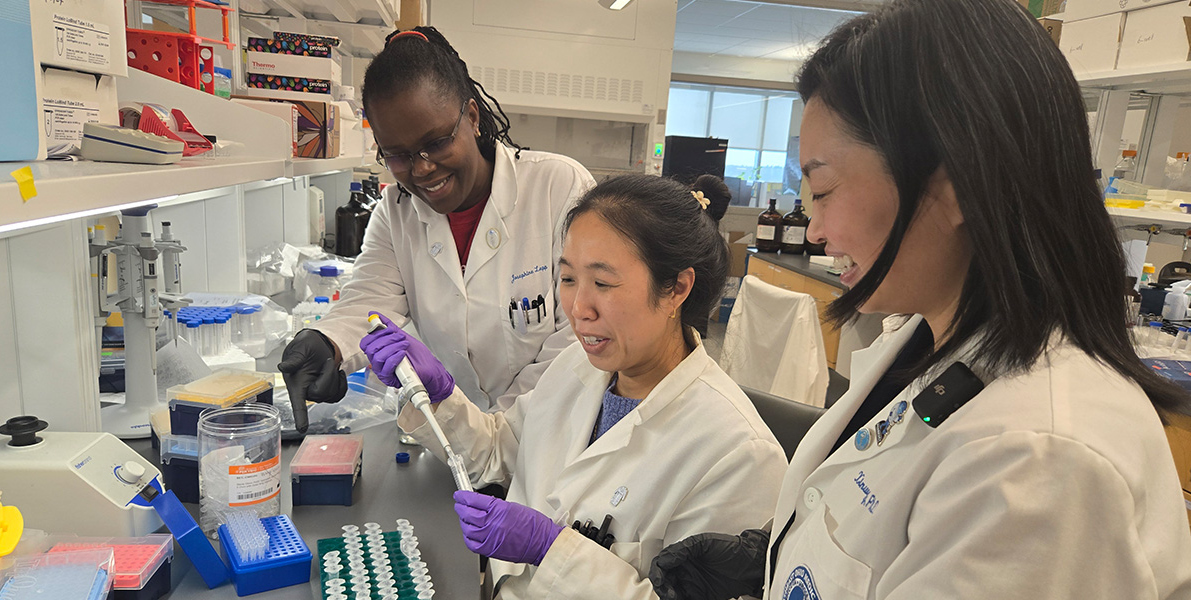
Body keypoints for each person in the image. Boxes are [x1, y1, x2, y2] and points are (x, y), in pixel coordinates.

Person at [648, 0, 1191, 598]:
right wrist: (776, 551)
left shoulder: (1037, 462)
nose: (818, 231)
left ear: (957, 183)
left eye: (825, 190)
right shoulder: (932, 339)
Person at [361, 174, 787, 598]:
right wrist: (438, 397)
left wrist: (551, 551)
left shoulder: (739, 455)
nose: (579, 308)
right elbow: (497, 454)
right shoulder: (578, 366)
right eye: (567, 279)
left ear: (676, 288)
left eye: (602, 283)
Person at [277, 26, 595, 431]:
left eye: (438, 141)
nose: (423, 167)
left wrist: (498, 432)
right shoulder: (396, 213)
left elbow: (580, 335)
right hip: (457, 443)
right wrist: (326, 341)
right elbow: (369, 303)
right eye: (398, 155)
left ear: (473, 117)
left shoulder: (559, 187)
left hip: (553, 432)